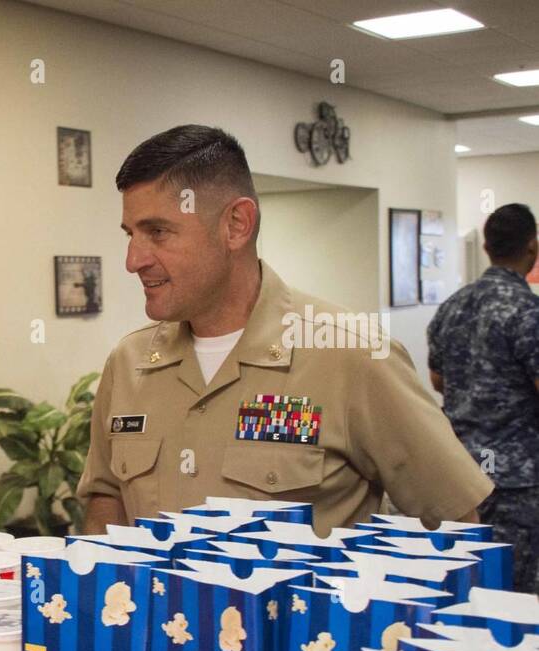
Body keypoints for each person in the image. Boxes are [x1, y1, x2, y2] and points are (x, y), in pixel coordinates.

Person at [77, 124, 491, 535]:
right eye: (131, 235)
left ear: (236, 225)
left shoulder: (351, 354)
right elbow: (105, 499)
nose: (133, 260)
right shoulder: (130, 363)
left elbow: (454, 525)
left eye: (158, 232)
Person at [428, 203, 539, 593]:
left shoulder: (452, 308)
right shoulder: (528, 312)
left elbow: (438, 379)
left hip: (459, 469)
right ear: (532, 247)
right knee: (519, 593)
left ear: (488, 247)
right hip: (518, 481)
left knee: (467, 583)